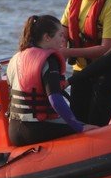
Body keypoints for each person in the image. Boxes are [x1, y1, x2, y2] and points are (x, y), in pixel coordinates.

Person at [6, 15, 91, 146]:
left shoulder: (16, 57)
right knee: (93, 130)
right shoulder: (49, 61)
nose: (64, 40)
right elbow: (55, 99)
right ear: (47, 37)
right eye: (60, 35)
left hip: (14, 130)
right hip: (36, 130)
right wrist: (80, 127)